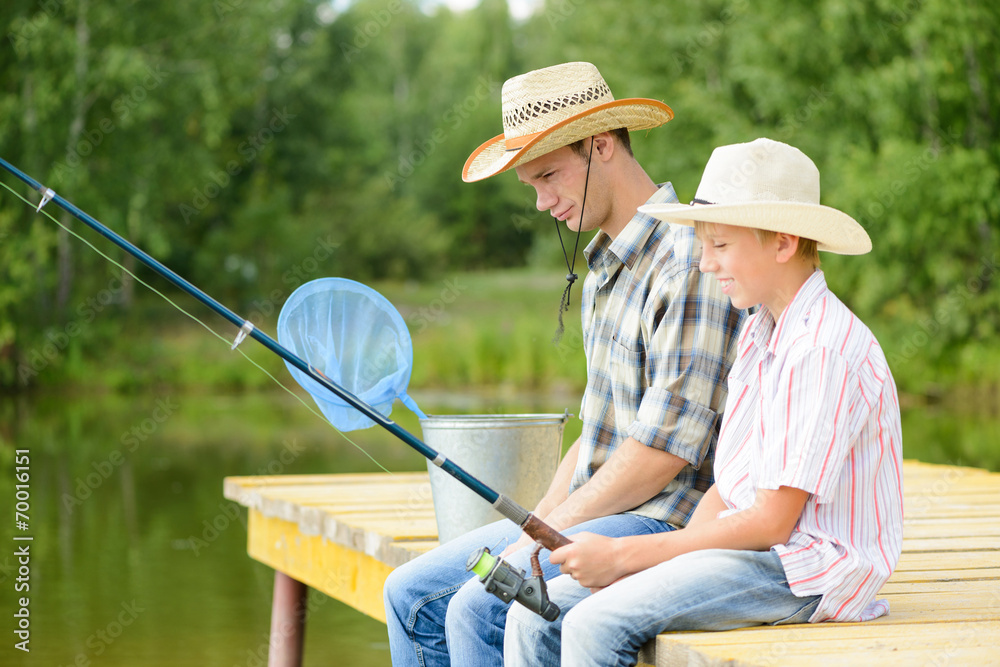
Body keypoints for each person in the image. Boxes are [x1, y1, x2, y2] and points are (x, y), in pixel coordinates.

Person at [383, 61, 745, 666]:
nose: (542, 202)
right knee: (408, 594)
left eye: (549, 176)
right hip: (600, 513)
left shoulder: (685, 264)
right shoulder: (604, 267)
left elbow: (663, 454)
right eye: (531, 185)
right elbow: (596, 432)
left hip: (662, 523)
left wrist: (542, 538)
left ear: (601, 145)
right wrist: (538, 521)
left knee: (482, 606)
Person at [504, 137, 905, 667]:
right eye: (701, 245)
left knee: (596, 624)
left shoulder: (820, 347)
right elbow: (729, 485)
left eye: (718, 245)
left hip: (804, 570)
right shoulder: (763, 330)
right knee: (535, 610)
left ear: (783, 243)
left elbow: (770, 523)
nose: (704, 263)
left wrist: (626, 555)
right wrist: (665, 566)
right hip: (748, 553)